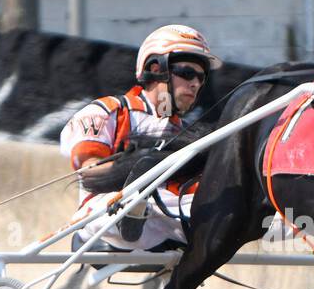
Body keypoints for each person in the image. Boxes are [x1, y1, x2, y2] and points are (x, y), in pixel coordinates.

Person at [59, 24, 222, 251]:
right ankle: (134, 208)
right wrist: (142, 163)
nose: (195, 83)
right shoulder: (108, 111)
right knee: (136, 203)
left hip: (166, 215)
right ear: (156, 68)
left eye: (201, 77)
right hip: (104, 213)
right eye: (187, 73)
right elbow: (89, 173)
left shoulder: (186, 134)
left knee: (217, 204)